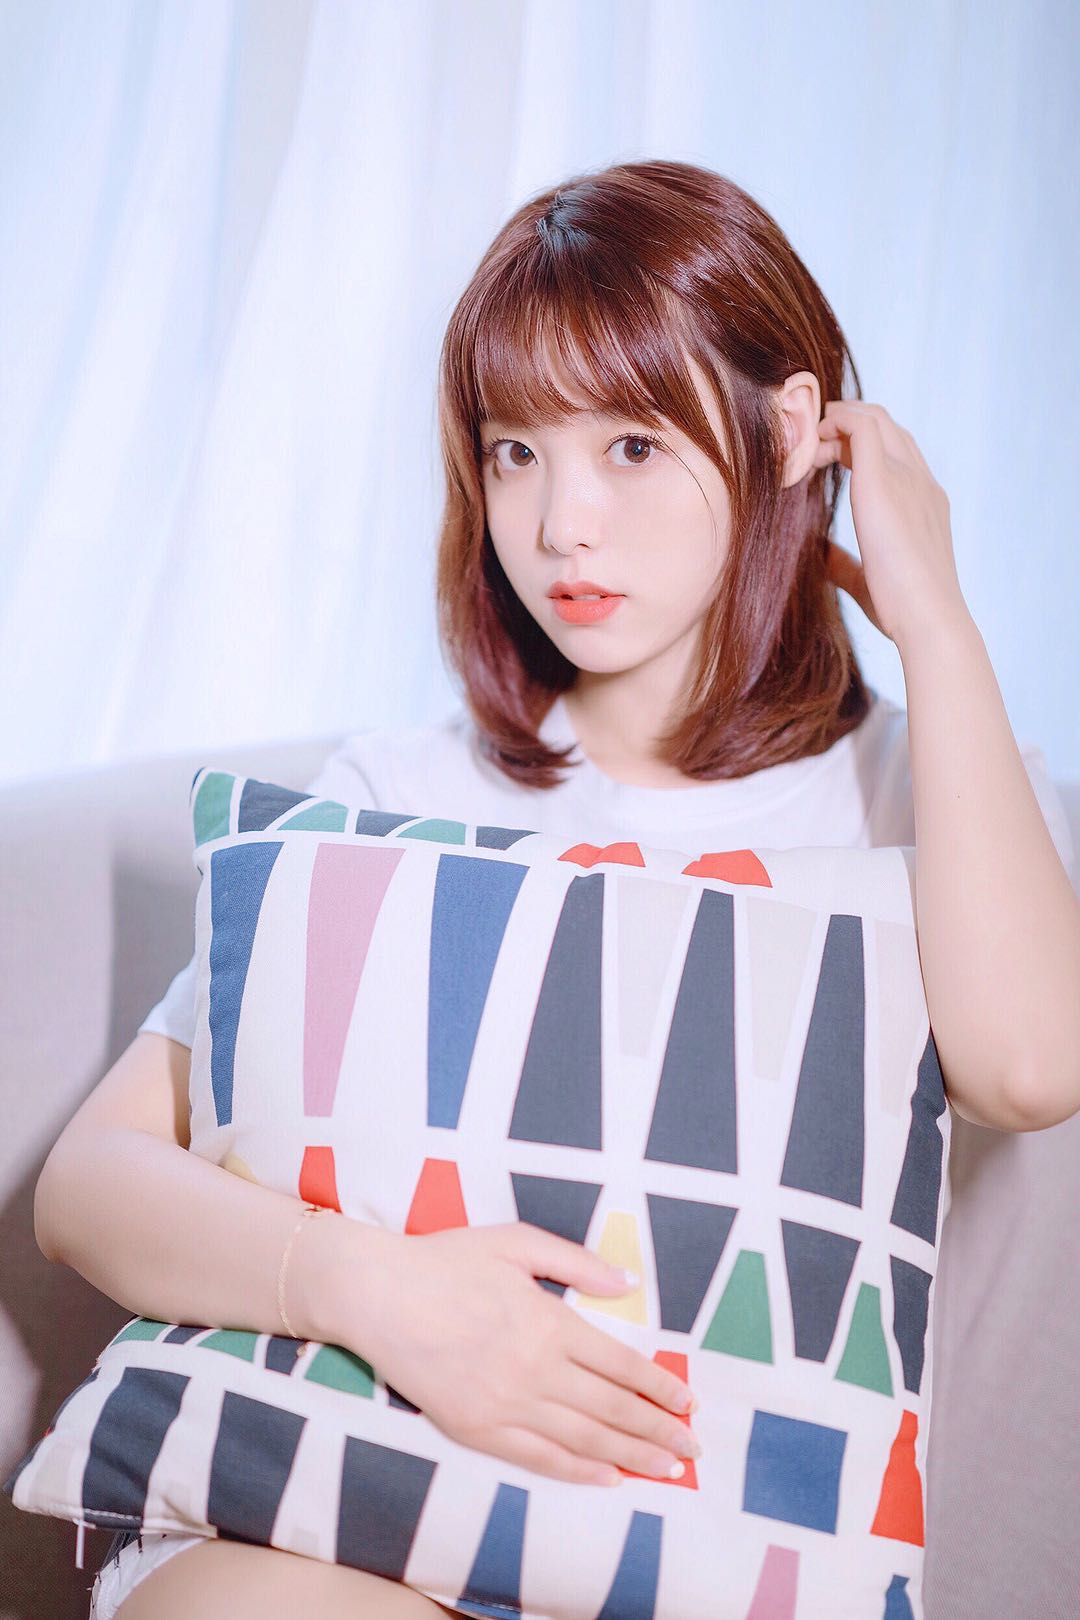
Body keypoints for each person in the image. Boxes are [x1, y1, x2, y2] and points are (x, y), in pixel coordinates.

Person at [33, 159, 1077, 1620]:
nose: (562, 523)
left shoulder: (921, 790)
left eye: (632, 445)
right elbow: (88, 1186)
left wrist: (935, 617)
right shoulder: (398, 791)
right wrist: (385, 1295)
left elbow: (1031, 1069)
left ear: (791, 431)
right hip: (342, 1523)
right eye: (516, 449)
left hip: (706, 1556)